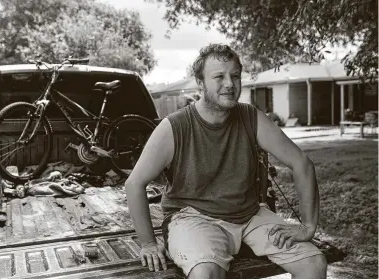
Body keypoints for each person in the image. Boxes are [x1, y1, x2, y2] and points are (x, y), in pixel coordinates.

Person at [124, 43, 327, 279]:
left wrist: (308, 226)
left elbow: (301, 163)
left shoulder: (251, 117)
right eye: (219, 76)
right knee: (206, 274)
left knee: (313, 264)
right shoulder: (174, 127)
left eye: (235, 76)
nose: (230, 84)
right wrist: (148, 243)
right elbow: (134, 183)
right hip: (193, 218)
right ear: (200, 83)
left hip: (249, 215)